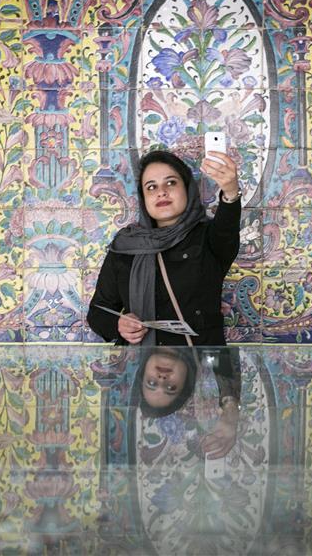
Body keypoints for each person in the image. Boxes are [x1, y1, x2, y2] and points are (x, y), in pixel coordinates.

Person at [86, 148, 241, 347]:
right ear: (143, 198)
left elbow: (227, 227)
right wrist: (119, 325)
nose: (161, 192)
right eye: (151, 187)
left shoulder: (209, 238)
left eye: (171, 183)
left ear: (187, 188)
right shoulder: (126, 246)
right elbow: (98, 312)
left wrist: (230, 192)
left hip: (198, 362)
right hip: (141, 363)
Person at [134, 346, 242, 459]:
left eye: (152, 383)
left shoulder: (133, 339)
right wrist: (230, 411)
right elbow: (225, 367)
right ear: (185, 382)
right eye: (171, 387)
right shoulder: (206, 356)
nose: (161, 379)